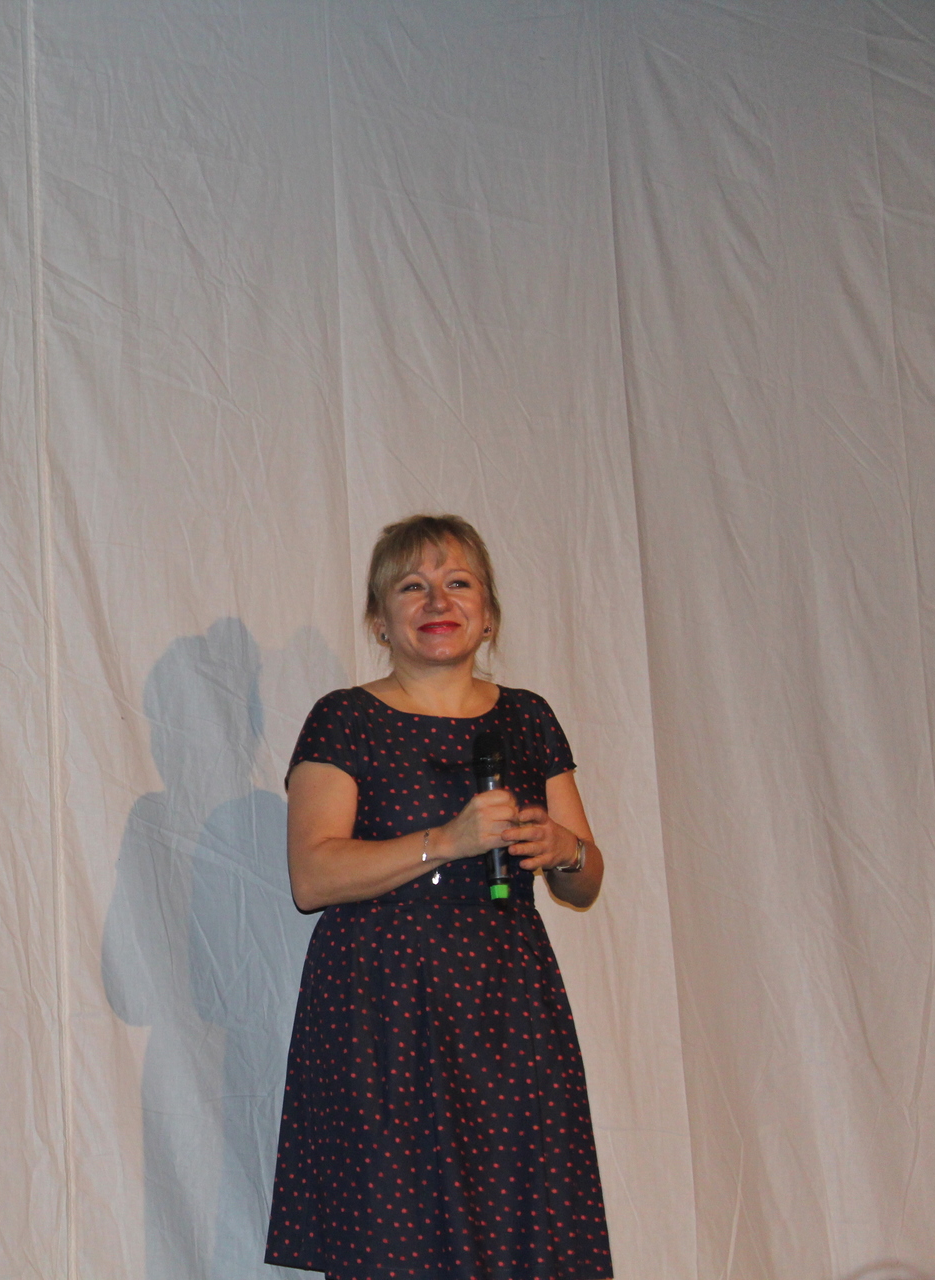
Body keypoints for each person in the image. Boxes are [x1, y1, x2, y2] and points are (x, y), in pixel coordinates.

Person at [265, 514, 611, 1280]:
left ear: (488, 613)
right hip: (382, 1009)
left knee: (523, 1231)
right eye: (411, 587)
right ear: (379, 620)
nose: (437, 601)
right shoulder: (344, 718)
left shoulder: (528, 717)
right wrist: (445, 842)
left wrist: (564, 849)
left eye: (458, 583)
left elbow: (585, 881)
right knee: (397, 1240)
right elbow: (312, 876)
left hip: (508, 1006)